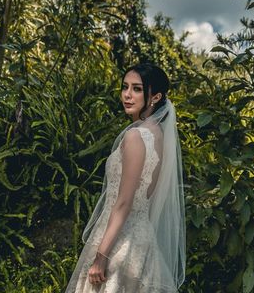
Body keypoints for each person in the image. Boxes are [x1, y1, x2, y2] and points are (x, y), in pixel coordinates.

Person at [65, 63, 186, 292]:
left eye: (137, 89)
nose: (127, 95)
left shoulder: (135, 137)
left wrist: (101, 256)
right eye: (125, 87)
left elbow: (123, 202)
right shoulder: (158, 135)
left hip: (120, 243)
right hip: (142, 239)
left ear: (155, 97)